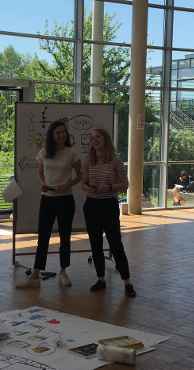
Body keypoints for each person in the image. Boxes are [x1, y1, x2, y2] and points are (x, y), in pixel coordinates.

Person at [16, 120, 82, 288]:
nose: (61, 135)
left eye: (63, 132)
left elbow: (80, 175)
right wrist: (42, 183)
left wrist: (68, 184)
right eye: (58, 132)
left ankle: (63, 271)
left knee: (65, 236)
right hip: (47, 198)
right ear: (52, 135)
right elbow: (40, 174)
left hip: (65, 199)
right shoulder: (44, 153)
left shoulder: (72, 153)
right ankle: (35, 276)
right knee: (43, 237)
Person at [81, 128, 136, 297]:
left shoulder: (115, 160)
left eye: (98, 136)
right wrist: (88, 187)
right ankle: (101, 279)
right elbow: (83, 183)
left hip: (108, 205)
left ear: (105, 139)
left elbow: (125, 184)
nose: (94, 140)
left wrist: (109, 187)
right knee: (95, 244)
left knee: (115, 243)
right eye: (92, 137)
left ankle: (127, 282)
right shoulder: (89, 160)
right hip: (91, 204)